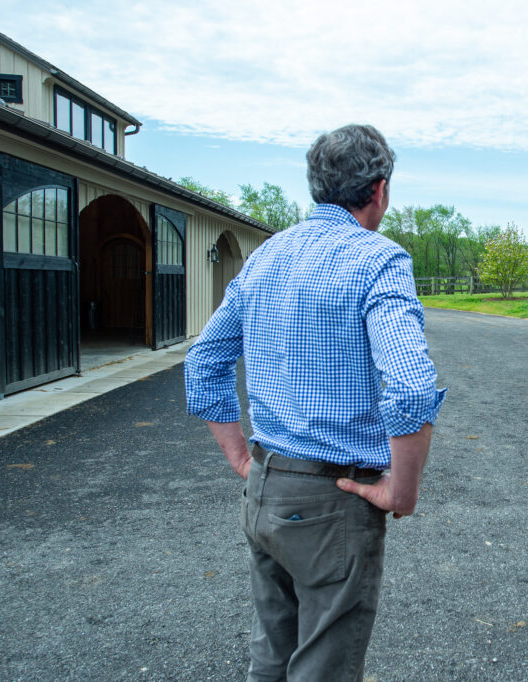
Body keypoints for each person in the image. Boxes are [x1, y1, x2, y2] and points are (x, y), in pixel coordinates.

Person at [184, 124, 446, 681]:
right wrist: (404, 489)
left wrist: (242, 461)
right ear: (379, 189)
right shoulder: (379, 259)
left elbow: (203, 363)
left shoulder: (264, 258)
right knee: (322, 669)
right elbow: (411, 389)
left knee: (271, 658)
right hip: (333, 502)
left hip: (265, 490)